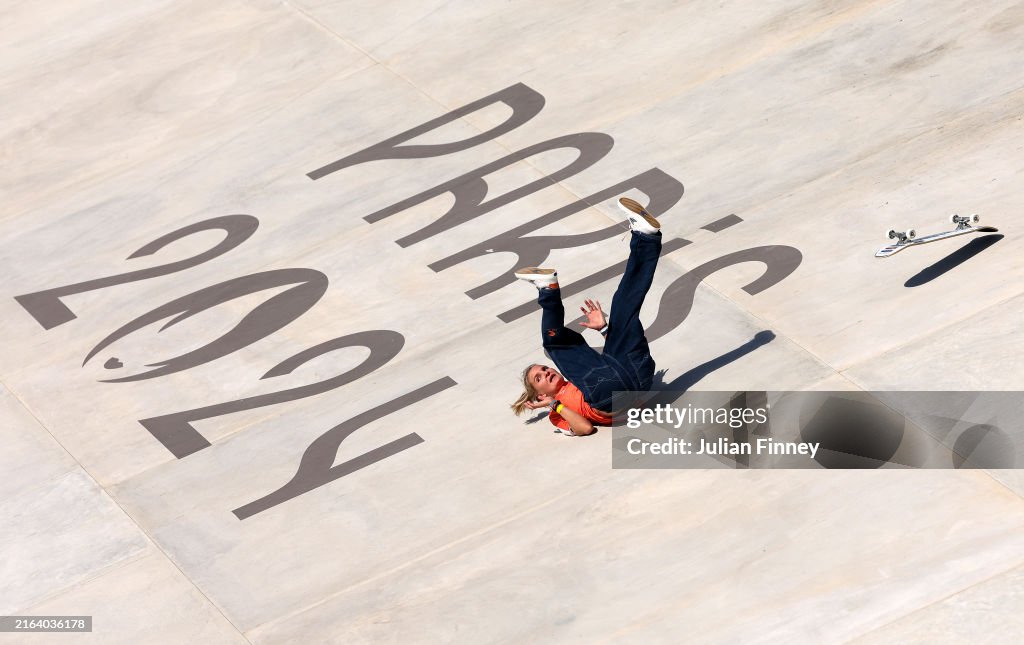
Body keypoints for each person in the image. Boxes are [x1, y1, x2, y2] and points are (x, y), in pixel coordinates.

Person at [511, 197, 662, 436]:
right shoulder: (557, 410)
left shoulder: (577, 376)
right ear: (540, 394)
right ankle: (547, 290)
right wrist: (554, 404)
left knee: (623, 306)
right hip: (610, 395)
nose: (547, 372)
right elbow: (585, 428)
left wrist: (604, 331)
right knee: (553, 343)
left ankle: (646, 238)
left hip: (634, 374)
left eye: (543, 369)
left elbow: (616, 377)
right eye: (539, 377)